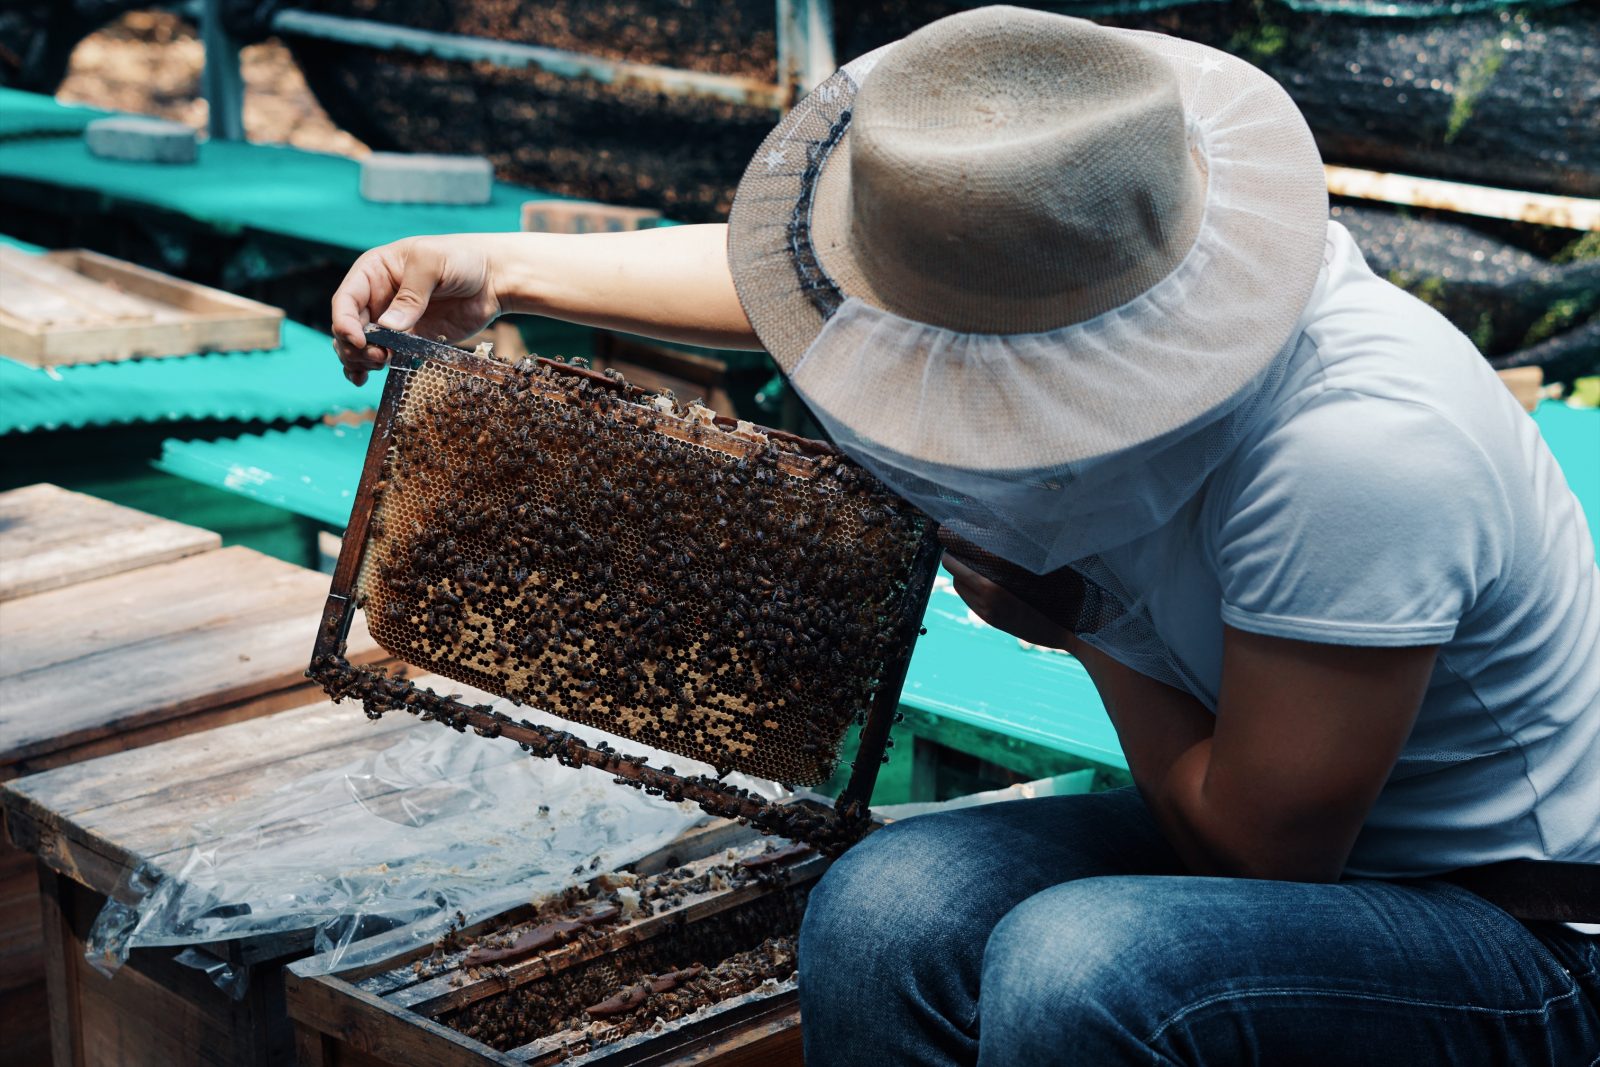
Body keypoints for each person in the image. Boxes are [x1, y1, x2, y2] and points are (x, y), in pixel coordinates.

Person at [331, 7, 1600, 1063]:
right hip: (1267, 833)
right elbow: (810, 288)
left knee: (1080, 970)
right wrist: (493, 268)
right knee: (883, 911)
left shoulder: (1356, 451)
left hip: (1510, 916)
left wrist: (1090, 627)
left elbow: (1268, 853)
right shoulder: (1070, 246)